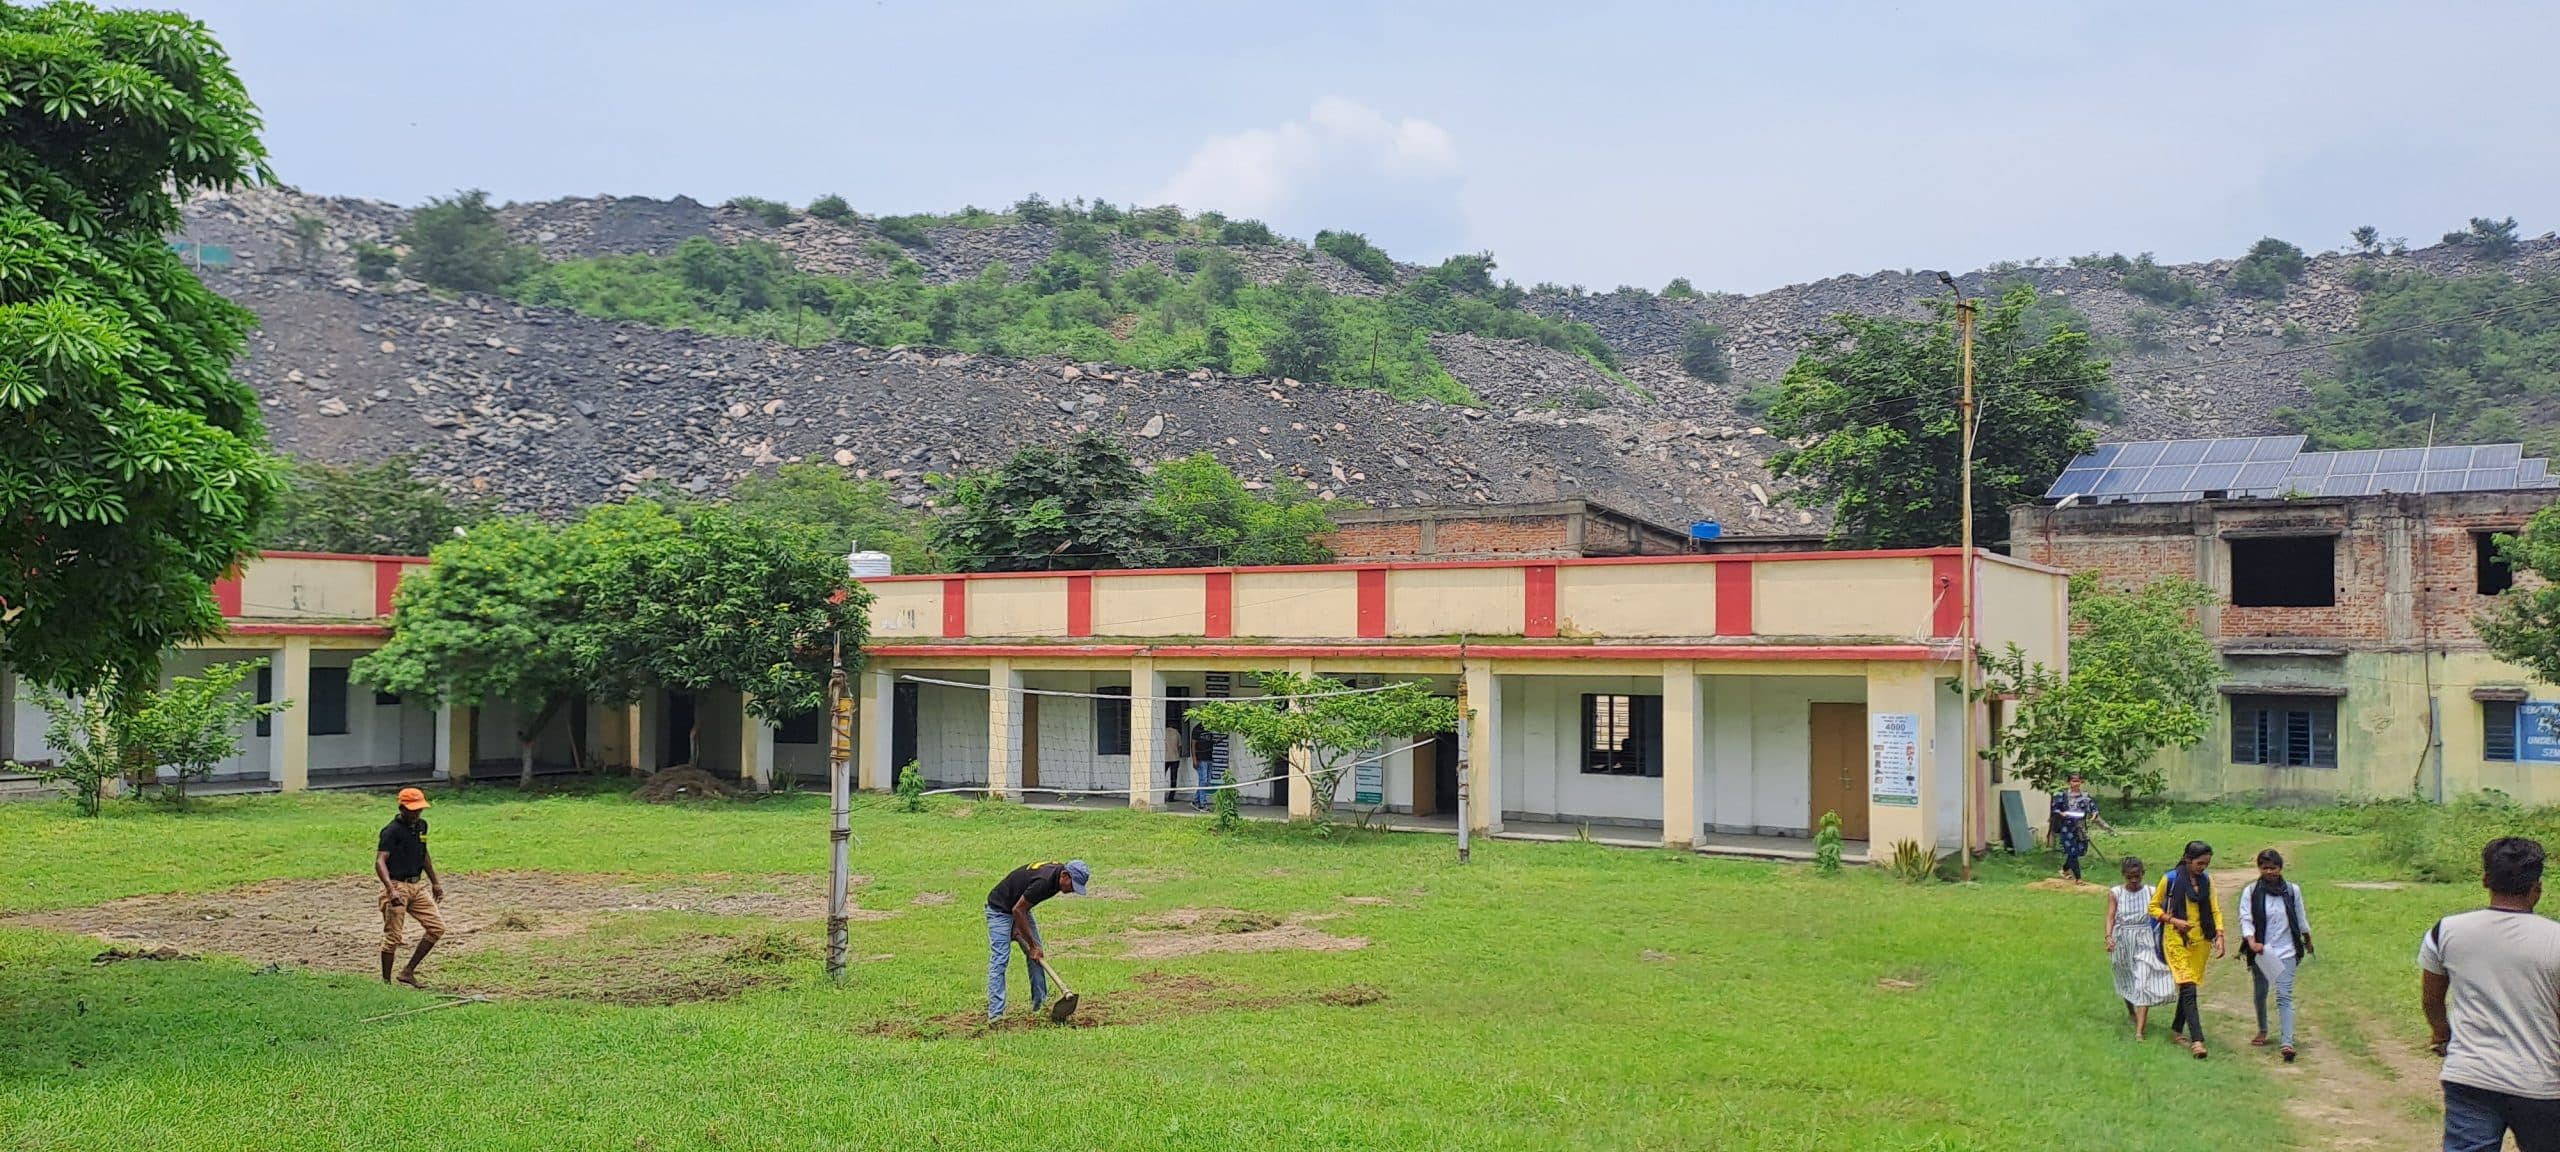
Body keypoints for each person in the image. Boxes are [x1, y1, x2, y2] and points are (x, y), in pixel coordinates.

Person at [2421, 836, 2560, 1151]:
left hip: (2471, 1076)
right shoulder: (2556, 938)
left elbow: (2431, 1000)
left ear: (2485, 879)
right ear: (2537, 887)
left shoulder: (2445, 931)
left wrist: (2442, 1034)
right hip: (2541, 1083)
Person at [984, 859, 1090, 1022]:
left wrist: (1021, 930)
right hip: (1000, 909)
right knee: (1000, 960)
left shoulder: (1056, 877)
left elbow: (1022, 906)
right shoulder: (1044, 881)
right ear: (1064, 875)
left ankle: (1040, 1006)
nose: (1072, 891)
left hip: (1020, 908)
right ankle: (996, 1016)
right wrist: (1032, 945)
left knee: (1037, 956)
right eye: (1073, 885)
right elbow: (1017, 910)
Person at [2150, 839, 2225, 1059]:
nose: (2203, 868)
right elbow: (2153, 907)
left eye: (2206, 864)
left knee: (2188, 988)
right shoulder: (2170, 879)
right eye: (2199, 863)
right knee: (2188, 987)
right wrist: (2173, 920)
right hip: (2176, 939)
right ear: (2187, 860)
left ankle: (2176, 1030)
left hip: (2201, 941)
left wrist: (2219, 935)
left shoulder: (2207, 881)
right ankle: (2197, 1041)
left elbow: (2215, 910)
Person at [2239, 848, 2314, 1062]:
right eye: (2265, 868)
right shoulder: (2251, 891)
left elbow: (2300, 917)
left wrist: (2307, 940)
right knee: (2261, 992)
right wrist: (2252, 942)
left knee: (2284, 994)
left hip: (2287, 949)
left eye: (2273, 868)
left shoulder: (2291, 891)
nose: (2269, 872)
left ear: (2280, 868)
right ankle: (2263, 1029)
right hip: (2262, 950)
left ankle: (2287, 1042)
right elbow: (2246, 918)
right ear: (2259, 869)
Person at [375, 787, 445, 987]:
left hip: (417, 885)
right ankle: (386, 983)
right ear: (402, 808)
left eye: (419, 809)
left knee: (436, 928)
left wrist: (435, 882)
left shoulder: (422, 826)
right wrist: (391, 889)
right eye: (412, 810)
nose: (416, 814)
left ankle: (408, 972)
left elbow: (424, 854)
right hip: (397, 885)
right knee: (393, 937)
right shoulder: (391, 831)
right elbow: (380, 861)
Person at [2106, 855, 2174, 1039]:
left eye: (2137, 876)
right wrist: (2109, 937)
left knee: (2142, 981)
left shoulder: (2151, 891)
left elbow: (2162, 911)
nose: (2134, 880)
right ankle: (2131, 1011)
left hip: (2145, 939)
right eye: (2130, 877)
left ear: (2143, 873)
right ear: (2123, 875)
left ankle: (2139, 1032)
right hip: (2123, 939)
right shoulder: (2115, 893)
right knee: (2127, 978)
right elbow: (2111, 916)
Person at [2049, 773, 2112, 882]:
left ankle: (2064, 869)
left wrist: (2094, 815)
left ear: (2081, 782)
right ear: (2069, 782)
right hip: (2067, 827)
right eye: (2073, 781)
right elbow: (2055, 809)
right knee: (2072, 851)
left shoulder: (2085, 796)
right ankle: (2078, 878)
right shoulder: (2062, 795)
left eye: (2078, 781)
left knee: (2081, 850)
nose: (2076, 783)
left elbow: (2093, 808)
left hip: (2081, 826)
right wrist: (2061, 813)